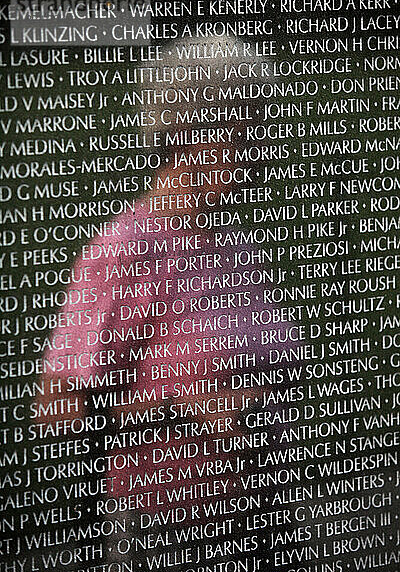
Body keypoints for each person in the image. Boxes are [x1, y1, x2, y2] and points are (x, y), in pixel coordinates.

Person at [36, 37, 294, 569]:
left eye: (257, 136)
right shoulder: (125, 250)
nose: (254, 157)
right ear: (186, 135)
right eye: (240, 136)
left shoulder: (233, 248)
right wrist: (186, 412)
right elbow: (58, 408)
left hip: (253, 511)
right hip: (159, 522)